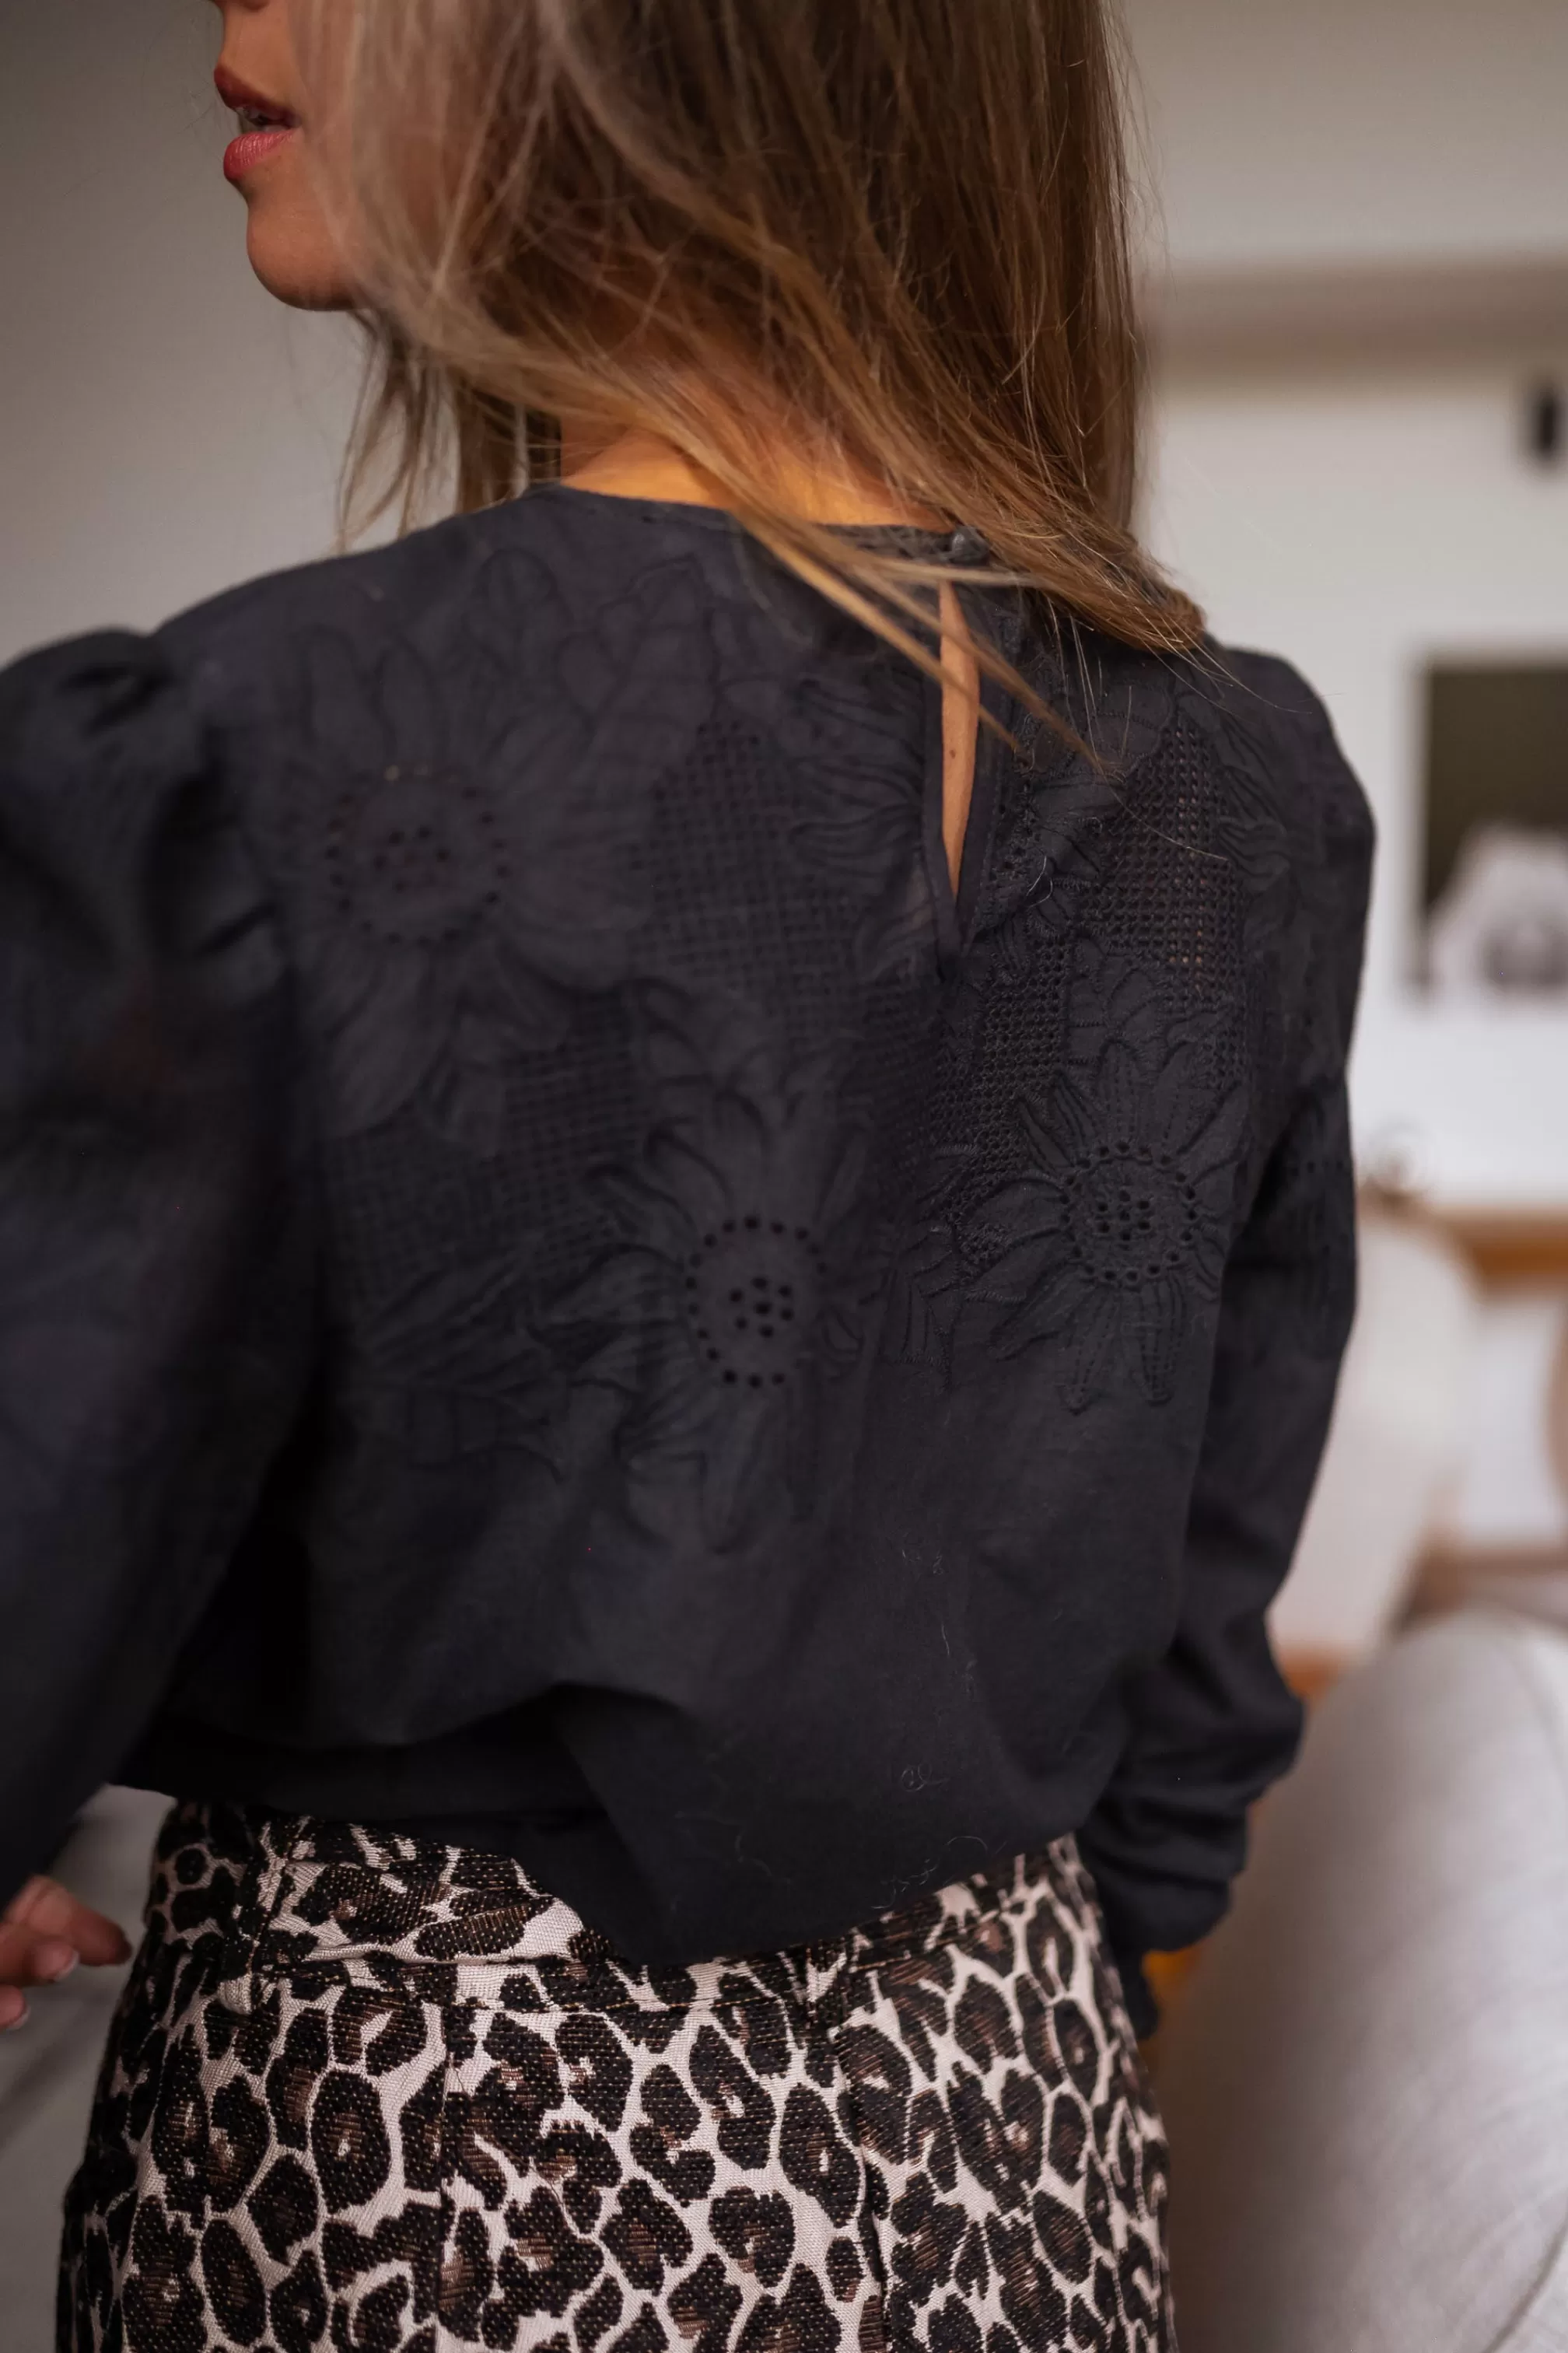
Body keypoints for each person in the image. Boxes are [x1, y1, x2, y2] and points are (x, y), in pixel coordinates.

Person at [0, 0, 1373, 2346]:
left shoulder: (246, 762)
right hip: (1020, 2152)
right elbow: (1195, 1636)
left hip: (430, 2182)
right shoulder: (1252, 792)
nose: (235, 17)